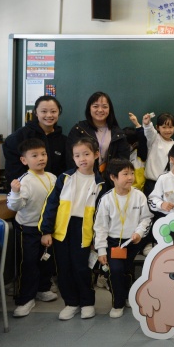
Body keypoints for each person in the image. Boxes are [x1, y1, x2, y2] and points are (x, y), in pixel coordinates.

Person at [39, 137, 105, 320]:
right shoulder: (65, 178)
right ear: (73, 158)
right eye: (77, 155)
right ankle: (71, 303)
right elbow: (51, 205)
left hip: (84, 231)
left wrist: (97, 239)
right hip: (62, 230)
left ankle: (87, 303)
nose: (82, 158)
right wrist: (46, 231)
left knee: (81, 268)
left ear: (96, 154)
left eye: (86, 154)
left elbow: (102, 215)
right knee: (64, 268)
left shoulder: (101, 182)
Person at [93, 158, 152, 318]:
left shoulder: (139, 196)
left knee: (127, 271)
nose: (130, 177)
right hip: (113, 243)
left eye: (132, 173)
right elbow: (100, 227)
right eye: (125, 174)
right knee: (116, 271)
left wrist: (139, 233)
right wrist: (101, 250)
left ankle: (127, 296)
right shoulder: (106, 199)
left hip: (132, 241)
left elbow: (146, 218)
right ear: (113, 177)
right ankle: (117, 304)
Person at [7, 138, 58, 317]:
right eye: (34, 155)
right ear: (24, 160)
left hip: (48, 228)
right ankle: (25, 299)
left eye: (43, 154)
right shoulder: (24, 181)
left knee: (46, 260)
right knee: (28, 263)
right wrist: (15, 192)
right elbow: (14, 206)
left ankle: (42, 289)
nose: (41, 158)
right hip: (28, 228)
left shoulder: (52, 177)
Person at [3, 95, 67, 189]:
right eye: (44, 111)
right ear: (36, 113)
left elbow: (65, 170)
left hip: (55, 192)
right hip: (26, 191)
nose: (49, 115)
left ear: (59, 113)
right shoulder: (19, 137)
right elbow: (13, 169)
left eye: (53, 111)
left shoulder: (64, 141)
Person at [67, 91, 130, 183]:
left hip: (110, 182)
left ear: (110, 109)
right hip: (84, 179)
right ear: (89, 109)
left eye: (104, 106)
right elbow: (70, 158)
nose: (100, 110)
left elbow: (123, 160)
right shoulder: (79, 130)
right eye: (95, 106)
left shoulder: (118, 133)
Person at [142, 112, 174, 197]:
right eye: (164, 127)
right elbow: (149, 132)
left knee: (168, 205)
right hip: (152, 184)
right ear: (157, 127)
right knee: (151, 205)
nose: (167, 130)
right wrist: (147, 124)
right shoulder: (154, 139)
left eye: (170, 127)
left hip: (169, 185)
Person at [123, 127, 145, 191]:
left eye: (127, 145)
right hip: (122, 190)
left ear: (135, 144)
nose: (124, 147)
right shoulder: (118, 155)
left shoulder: (141, 155)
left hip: (138, 190)